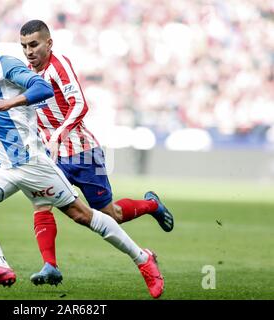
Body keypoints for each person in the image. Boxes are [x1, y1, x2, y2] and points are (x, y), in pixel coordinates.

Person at [0, 16, 164, 299]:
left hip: (40, 160)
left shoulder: (8, 66)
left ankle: (143, 258)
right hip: (5, 165)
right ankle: (2, 265)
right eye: (25, 45)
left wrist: (10, 103)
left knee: (87, 215)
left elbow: (43, 90)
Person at [19, 20, 174, 287]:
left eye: (34, 44)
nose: (29, 51)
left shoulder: (59, 66)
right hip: (53, 157)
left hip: (84, 153)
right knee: (41, 201)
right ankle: (50, 266)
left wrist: (57, 136)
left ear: (49, 43)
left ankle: (151, 205)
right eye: (24, 46)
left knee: (110, 215)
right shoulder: (26, 73)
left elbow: (79, 104)